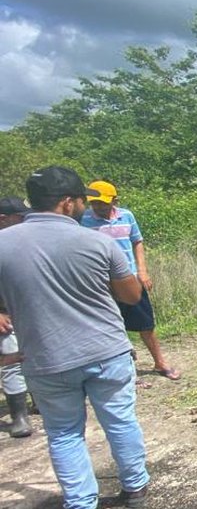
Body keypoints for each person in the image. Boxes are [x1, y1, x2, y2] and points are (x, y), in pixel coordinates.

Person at [0, 166, 149, 508]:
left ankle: (81, 502)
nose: (84, 205)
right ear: (68, 202)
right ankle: (135, 486)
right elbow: (130, 296)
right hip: (105, 351)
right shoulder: (97, 241)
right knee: (120, 420)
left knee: (64, 434)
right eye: (82, 199)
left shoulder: (2, 243)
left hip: (45, 357)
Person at [81, 181, 180, 381]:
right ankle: (122, 366)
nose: (99, 207)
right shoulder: (83, 220)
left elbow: (137, 241)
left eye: (103, 203)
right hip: (100, 282)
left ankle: (160, 362)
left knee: (146, 323)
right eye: (95, 203)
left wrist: (142, 271)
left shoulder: (126, 216)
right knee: (109, 324)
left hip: (129, 279)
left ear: (114, 200)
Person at [1, 196, 33, 438]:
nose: (24, 220)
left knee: (36, 354)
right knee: (12, 360)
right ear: (3, 219)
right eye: (18, 217)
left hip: (30, 308)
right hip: (5, 315)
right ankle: (19, 415)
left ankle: (40, 401)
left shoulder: (23, 241)